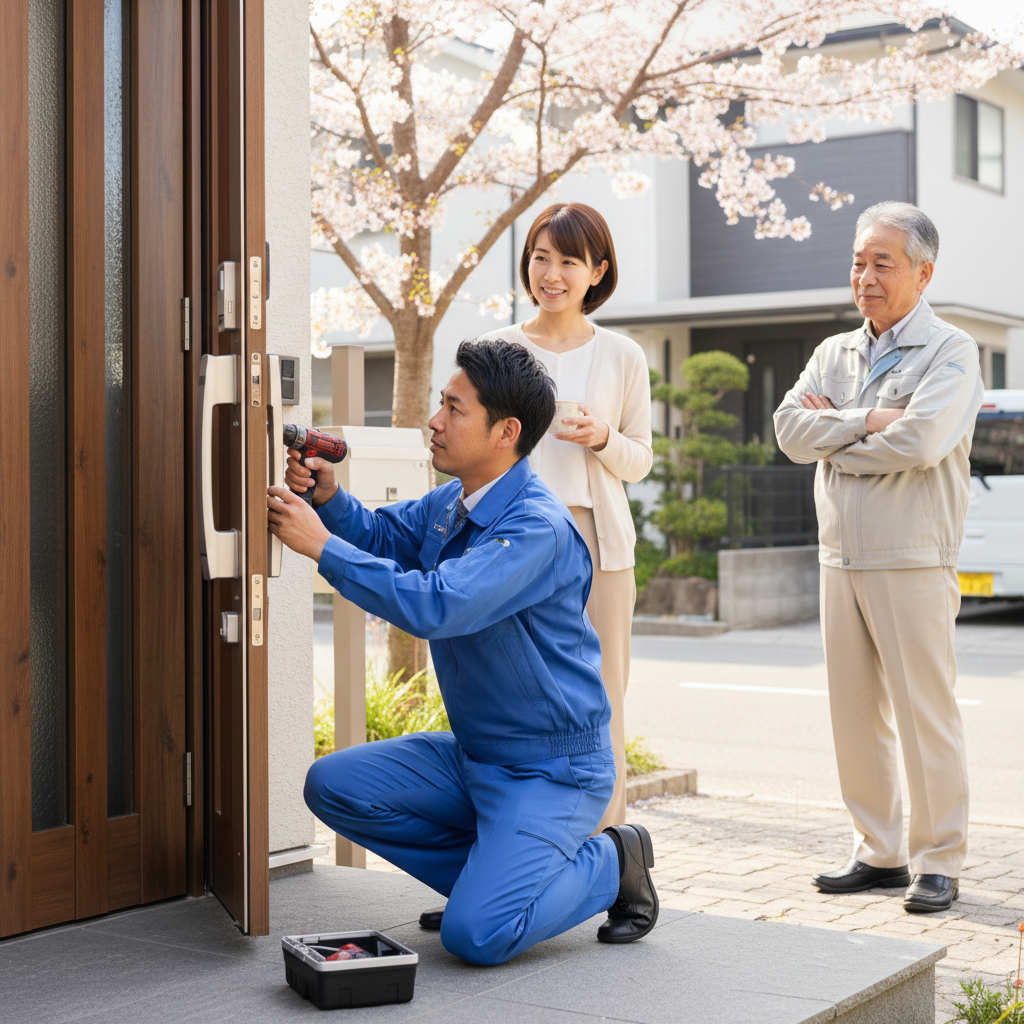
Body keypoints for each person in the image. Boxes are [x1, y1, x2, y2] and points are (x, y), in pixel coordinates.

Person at [266, 339, 659, 966]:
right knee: (333, 786)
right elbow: (382, 534)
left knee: (475, 936)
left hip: (551, 772)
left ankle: (613, 862)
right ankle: (495, 880)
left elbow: (438, 606)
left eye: (454, 408)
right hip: (476, 757)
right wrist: (328, 502)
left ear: (506, 432)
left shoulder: (536, 528)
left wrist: (321, 547)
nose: (435, 420)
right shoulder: (453, 502)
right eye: (440, 404)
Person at [774, 201, 983, 913]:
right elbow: (787, 432)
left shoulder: (951, 351)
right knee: (854, 713)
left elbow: (922, 443)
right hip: (841, 556)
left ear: (924, 273)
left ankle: (940, 857)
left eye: (881, 263)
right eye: (859, 261)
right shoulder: (834, 352)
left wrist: (831, 438)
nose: (865, 275)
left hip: (913, 557)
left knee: (926, 711)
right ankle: (879, 850)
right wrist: (862, 419)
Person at [480, 203, 652, 829]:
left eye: (569, 262)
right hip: (513, 541)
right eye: (540, 258)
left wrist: (604, 437)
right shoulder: (495, 349)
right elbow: (467, 446)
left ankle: (608, 853)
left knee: (603, 698)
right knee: (507, 695)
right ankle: (511, 849)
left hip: (596, 541)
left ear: (597, 270)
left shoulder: (622, 355)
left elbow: (640, 461)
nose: (551, 274)